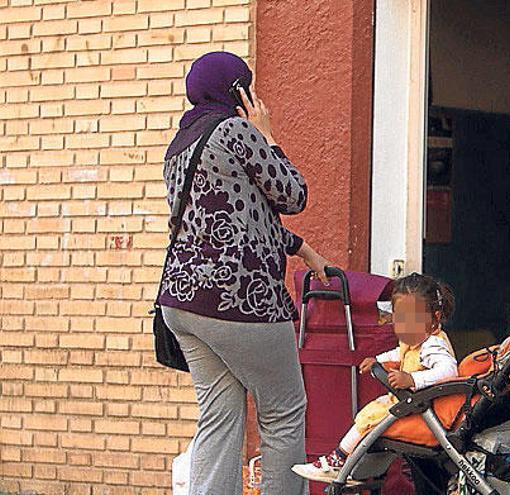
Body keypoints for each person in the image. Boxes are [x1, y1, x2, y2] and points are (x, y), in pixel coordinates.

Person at [159, 51, 331, 495]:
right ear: (237, 90)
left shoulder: (179, 145)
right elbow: (293, 195)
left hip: (182, 301)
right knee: (284, 412)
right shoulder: (237, 131)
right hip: (240, 300)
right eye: (247, 86)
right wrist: (268, 137)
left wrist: (301, 247)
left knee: (219, 414)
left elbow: (230, 220)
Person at [292, 273, 458, 483]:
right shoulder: (418, 341)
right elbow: (399, 353)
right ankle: (350, 464)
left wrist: (413, 380)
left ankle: (338, 459)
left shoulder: (434, 344)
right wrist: (377, 360)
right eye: (399, 318)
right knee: (369, 417)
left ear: (434, 318)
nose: (405, 325)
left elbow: (449, 371)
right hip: (411, 405)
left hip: (422, 410)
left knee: (368, 418)